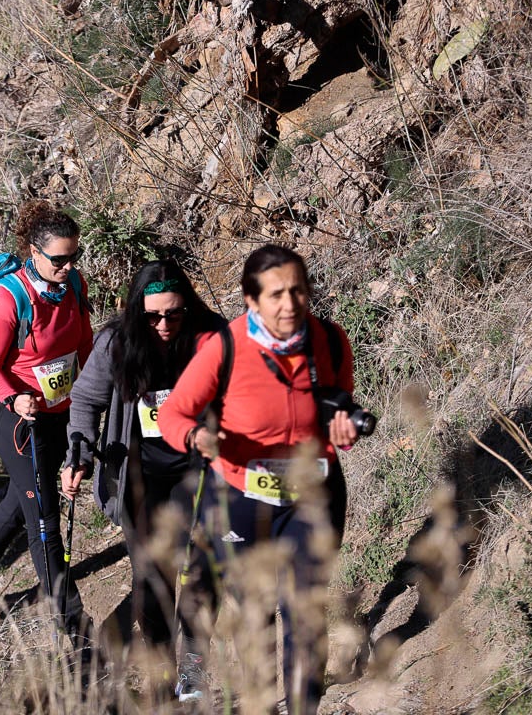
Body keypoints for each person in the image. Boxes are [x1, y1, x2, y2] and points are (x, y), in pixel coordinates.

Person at [157, 244, 361, 713]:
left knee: (304, 609)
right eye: (275, 295)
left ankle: (303, 705)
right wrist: (193, 437)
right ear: (251, 300)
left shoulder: (329, 339)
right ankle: (229, 694)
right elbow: (173, 414)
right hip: (242, 498)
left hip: (314, 495)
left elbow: (338, 404)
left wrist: (344, 429)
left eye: (298, 291)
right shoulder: (224, 348)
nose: (289, 304)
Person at [61, 260, 226, 670]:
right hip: (140, 474)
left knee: (209, 562)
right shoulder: (116, 343)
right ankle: (162, 670)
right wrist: (78, 454)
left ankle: (194, 657)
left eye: (173, 313)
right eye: (152, 316)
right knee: (152, 575)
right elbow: (85, 401)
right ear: (138, 311)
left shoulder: (212, 336)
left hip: (199, 467)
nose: (164, 325)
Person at [0, 200, 93, 636]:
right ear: (34, 254)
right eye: (59, 259)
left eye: (74, 255)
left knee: (20, 506)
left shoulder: (75, 284)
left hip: (60, 416)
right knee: (45, 519)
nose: (68, 264)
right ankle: (73, 624)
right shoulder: (11, 298)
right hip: (21, 424)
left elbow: (85, 347)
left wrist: (89, 400)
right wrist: (14, 398)